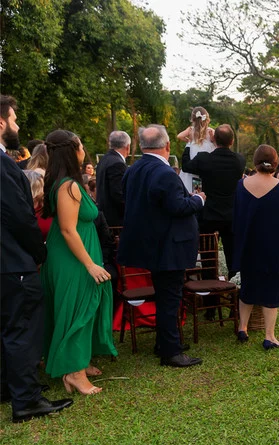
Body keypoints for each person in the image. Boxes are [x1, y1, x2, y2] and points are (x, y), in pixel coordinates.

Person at [1, 95, 73, 422]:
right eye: (13, 119)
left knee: (10, 328)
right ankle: (26, 400)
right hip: (13, 262)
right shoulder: (3, 167)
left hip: (8, 261)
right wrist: (39, 251)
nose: (17, 125)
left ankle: (12, 388)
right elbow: (19, 217)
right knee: (22, 329)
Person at [118, 125, 206, 368]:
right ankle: (171, 351)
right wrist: (198, 199)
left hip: (150, 243)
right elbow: (177, 207)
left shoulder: (133, 169)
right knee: (169, 297)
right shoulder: (164, 173)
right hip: (168, 246)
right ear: (167, 146)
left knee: (165, 294)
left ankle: (166, 341)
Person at [39, 129, 118, 394]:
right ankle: (74, 372)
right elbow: (67, 230)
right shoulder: (68, 186)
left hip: (77, 255)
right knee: (78, 311)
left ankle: (80, 360)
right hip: (73, 259)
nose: (84, 148)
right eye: (81, 144)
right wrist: (89, 264)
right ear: (72, 151)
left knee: (84, 307)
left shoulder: (67, 183)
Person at [232, 144, 279, 349]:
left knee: (248, 284)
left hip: (248, 244)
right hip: (274, 245)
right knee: (272, 289)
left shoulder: (241, 185)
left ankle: (243, 328)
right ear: (275, 163)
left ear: (255, 162)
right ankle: (269, 336)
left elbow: (237, 216)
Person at [180, 124, 245, 280]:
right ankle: (235, 287)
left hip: (208, 215)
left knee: (208, 257)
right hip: (231, 215)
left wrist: (189, 144)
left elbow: (186, 166)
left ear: (214, 138)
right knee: (232, 256)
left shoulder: (204, 159)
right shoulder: (239, 160)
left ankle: (209, 292)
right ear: (232, 141)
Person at [95, 130, 131, 226]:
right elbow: (118, 194)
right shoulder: (117, 163)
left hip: (103, 216)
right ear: (128, 147)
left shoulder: (104, 160)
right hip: (115, 220)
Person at [177, 106, 215, 193]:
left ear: (193, 119)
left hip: (193, 155)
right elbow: (216, 140)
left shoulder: (190, 130)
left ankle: (195, 195)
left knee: (192, 174)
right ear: (207, 118)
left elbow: (179, 136)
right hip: (207, 155)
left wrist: (189, 141)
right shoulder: (211, 131)